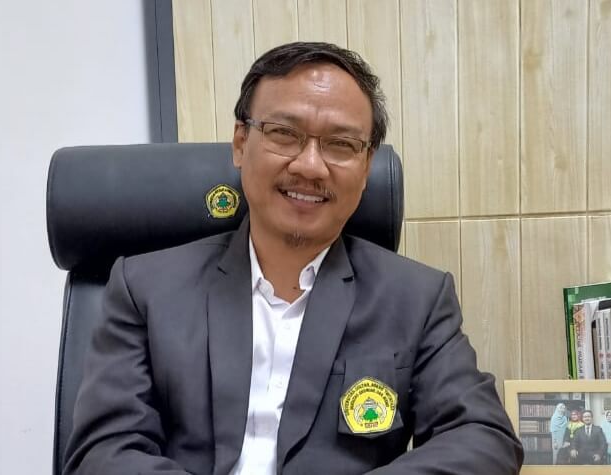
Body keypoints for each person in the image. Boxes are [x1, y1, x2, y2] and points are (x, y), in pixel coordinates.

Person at [63, 42, 523, 475]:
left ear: (366, 166)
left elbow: (483, 437)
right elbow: (103, 452)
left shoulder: (416, 298)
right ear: (240, 142)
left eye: (341, 144)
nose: (309, 165)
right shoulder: (145, 287)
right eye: (284, 134)